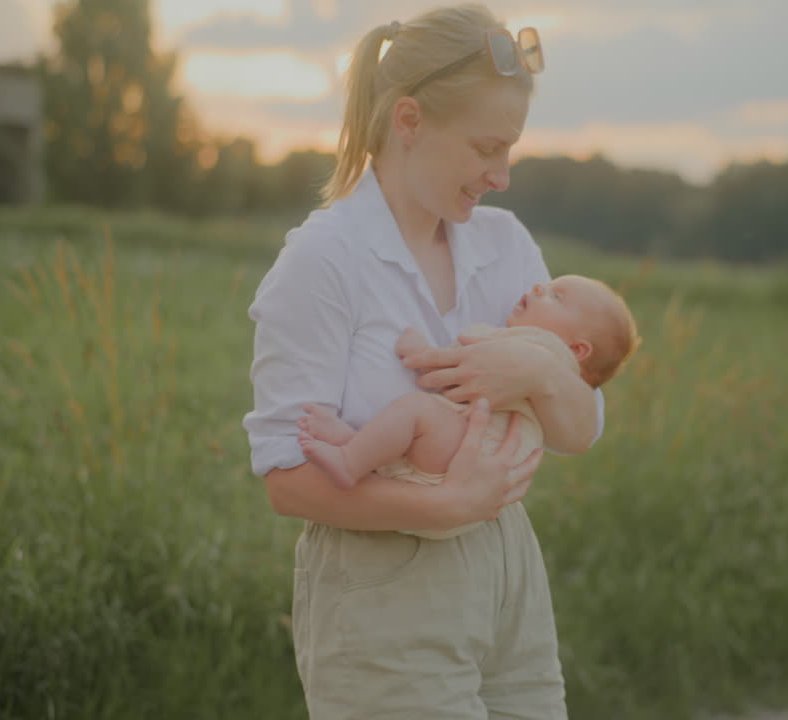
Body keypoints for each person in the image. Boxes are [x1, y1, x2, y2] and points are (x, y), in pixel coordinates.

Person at [243, 5, 606, 717]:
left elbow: (581, 429)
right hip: (384, 582)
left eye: (511, 150)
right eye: (484, 148)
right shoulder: (323, 261)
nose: (501, 176)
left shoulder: (506, 249)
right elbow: (286, 480)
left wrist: (537, 372)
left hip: (508, 572)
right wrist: (442, 505)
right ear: (408, 121)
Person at [294, 274, 638, 519]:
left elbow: (449, 375)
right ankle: (353, 445)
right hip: (476, 464)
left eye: (556, 296)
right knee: (417, 426)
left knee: (415, 410)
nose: (537, 286)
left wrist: (420, 350)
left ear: (576, 349)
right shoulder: (556, 376)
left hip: (468, 450)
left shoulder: (533, 346)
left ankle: (350, 460)